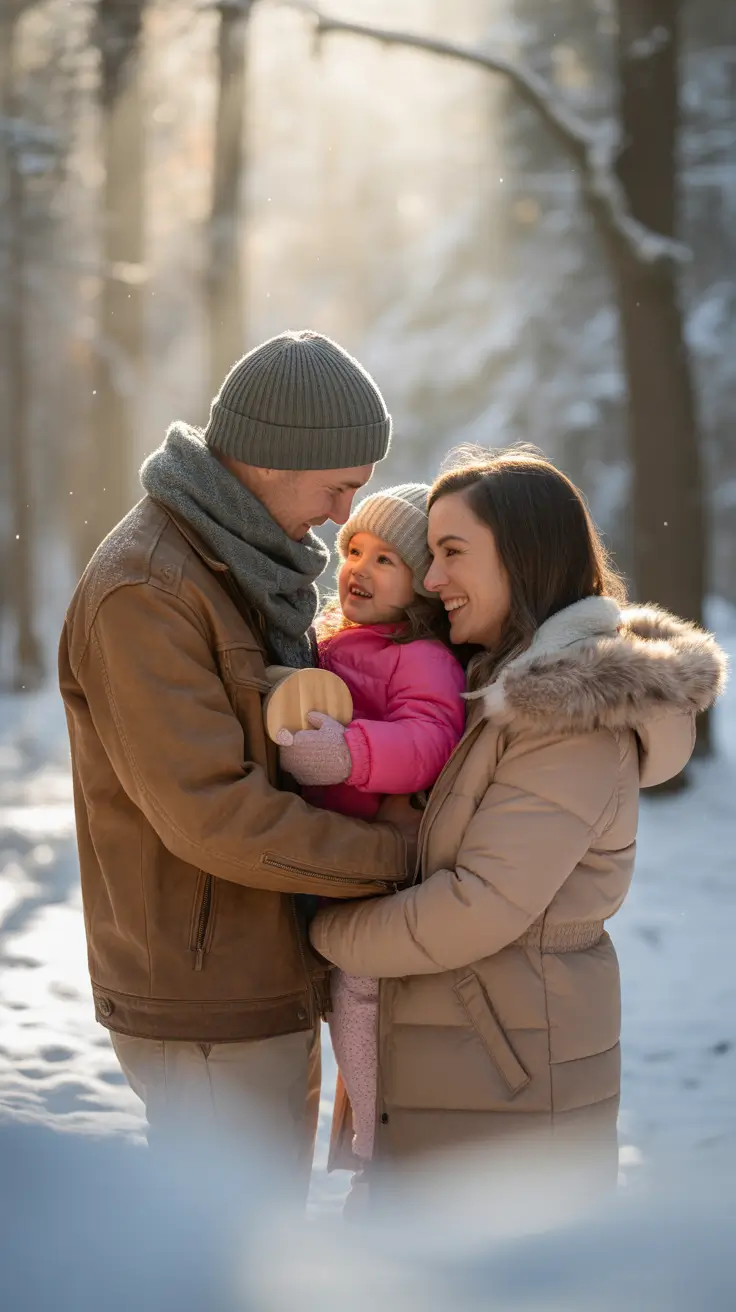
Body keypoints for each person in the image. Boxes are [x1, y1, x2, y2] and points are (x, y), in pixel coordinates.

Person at [58, 330, 420, 1193]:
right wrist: (404, 857)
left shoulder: (239, 563)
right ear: (272, 459)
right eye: (338, 487)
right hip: (207, 998)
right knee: (228, 1251)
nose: (343, 515)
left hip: (259, 971)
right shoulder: (150, 589)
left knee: (261, 1240)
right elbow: (214, 814)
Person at [310, 448, 728, 1190]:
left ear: (521, 558)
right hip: (467, 1053)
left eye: (452, 553)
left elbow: (477, 905)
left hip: (505, 1074)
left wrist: (322, 934)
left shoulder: (570, 717)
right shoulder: (494, 686)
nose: (432, 580)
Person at [275, 483, 466, 1204]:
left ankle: (378, 1141)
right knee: (338, 994)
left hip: (379, 863)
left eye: (386, 559)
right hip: (328, 854)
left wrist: (349, 752)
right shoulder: (329, 640)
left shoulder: (420, 657)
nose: (359, 566)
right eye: (354, 549)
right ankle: (364, 1132)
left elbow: (429, 740)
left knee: (360, 989)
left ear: (422, 584)